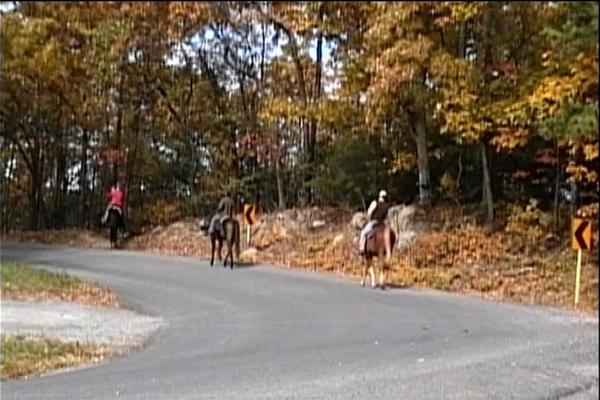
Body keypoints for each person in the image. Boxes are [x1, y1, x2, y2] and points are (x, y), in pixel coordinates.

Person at [358, 190, 390, 254]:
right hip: (382, 223)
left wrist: (369, 218)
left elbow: (369, 212)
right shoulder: (387, 205)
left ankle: (361, 248)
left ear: (379, 196)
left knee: (363, 232)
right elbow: (386, 216)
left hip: (374, 222)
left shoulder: (375, 202)